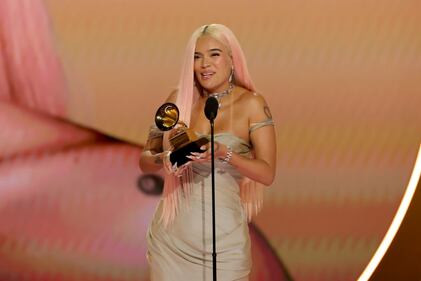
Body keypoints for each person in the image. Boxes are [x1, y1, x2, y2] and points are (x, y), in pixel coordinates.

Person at [139, 24, 276, 281]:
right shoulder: (178, 99)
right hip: (171, 243)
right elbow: (145, 160)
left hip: (224, 247)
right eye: (197, 57)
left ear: (232, 60)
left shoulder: (252, 104)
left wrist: (225, 154)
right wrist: (164, 159)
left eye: (214, 54)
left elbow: (267, 173)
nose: (204, 64)